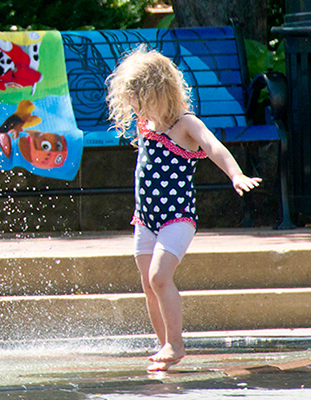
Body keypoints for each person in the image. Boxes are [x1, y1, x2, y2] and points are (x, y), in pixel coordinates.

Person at [105, 46, 262, 372]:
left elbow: (214, 147)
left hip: (177, 217)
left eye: (139, 97)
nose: (133, 106)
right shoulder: (146, 124)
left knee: (160, 277)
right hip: (145, 217)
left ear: (158, 92)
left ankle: (176, 343)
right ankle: (164, 345)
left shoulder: (185, 124)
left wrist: (236, 174)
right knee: (149, 285)